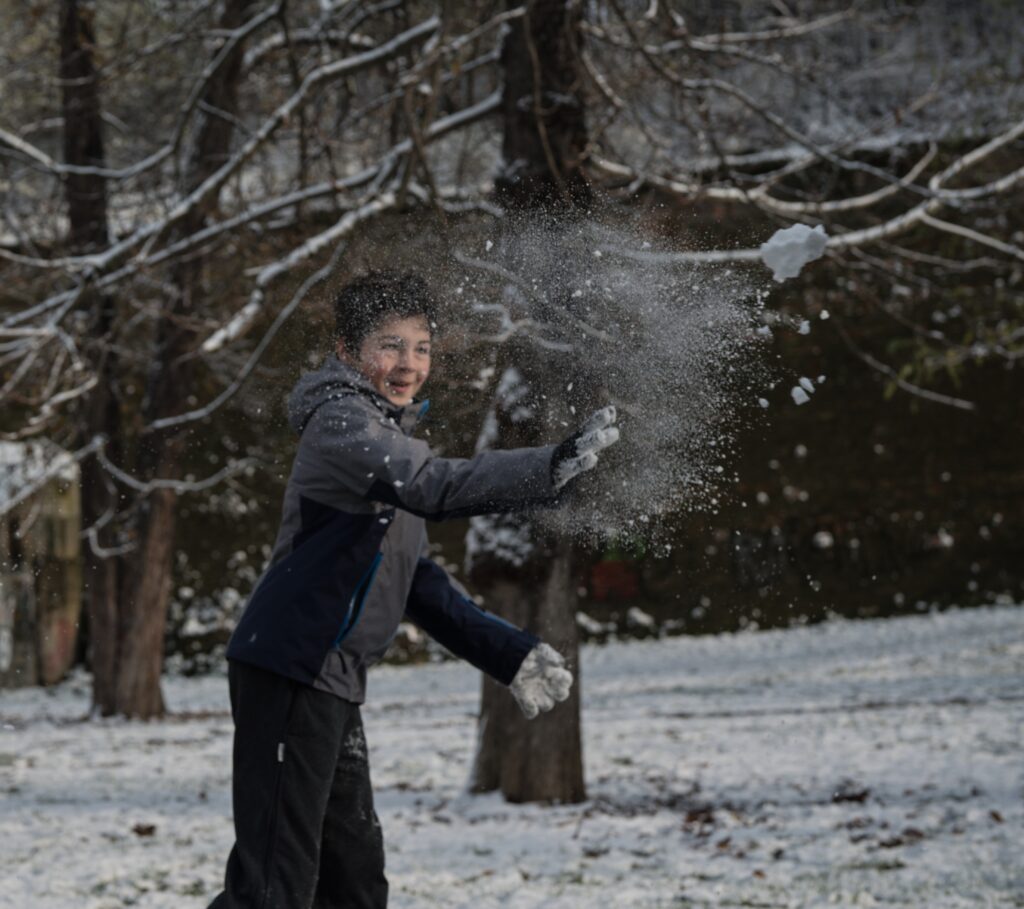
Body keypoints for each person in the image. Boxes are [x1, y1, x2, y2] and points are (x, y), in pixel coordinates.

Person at [208, 270, 619, 909]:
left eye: (422, 347)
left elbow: (419, 585)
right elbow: (432, 487)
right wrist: (544, 467)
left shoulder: (386, 439)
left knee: (354, 883)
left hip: (330, 680)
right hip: (290, 670)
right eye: (389, 345)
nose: (408, 364)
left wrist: (506, 653)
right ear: (348, 350)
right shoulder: (341, 422)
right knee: (273, 889)